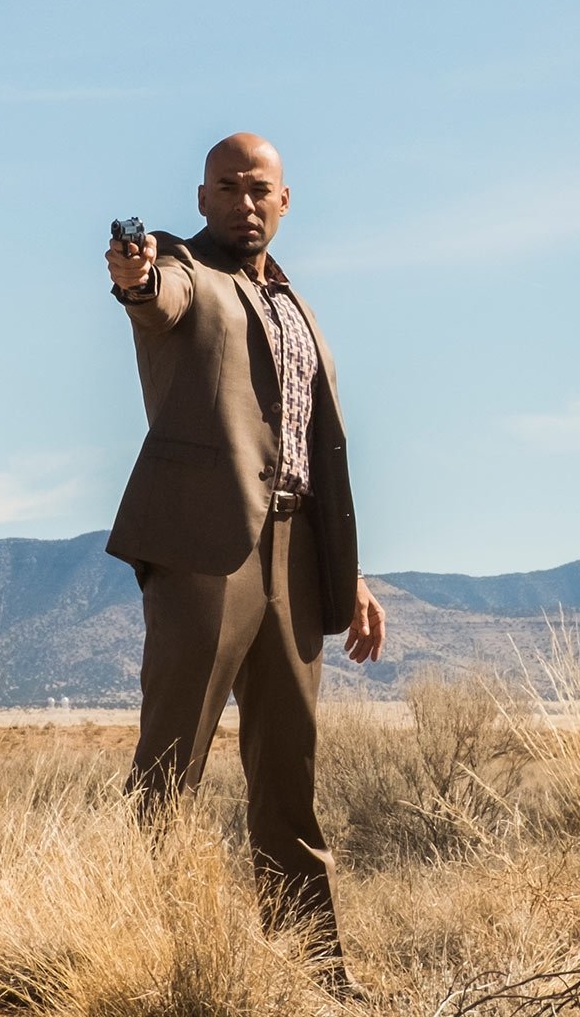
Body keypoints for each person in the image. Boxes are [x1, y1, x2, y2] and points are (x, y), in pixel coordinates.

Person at [103, 132, 386, 991]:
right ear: (202, 200)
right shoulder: (186, 270)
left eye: (259, 188)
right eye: (227, 188)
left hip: (297, 555)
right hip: (206, 553)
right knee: (170, 766)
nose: (245, 202)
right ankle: (139, 961)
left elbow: (308, 448)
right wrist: (135, 278)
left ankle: (315, 972)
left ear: (285, 200)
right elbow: (158, 300)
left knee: (288, 770)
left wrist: (349, 573)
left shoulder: (297, 306)